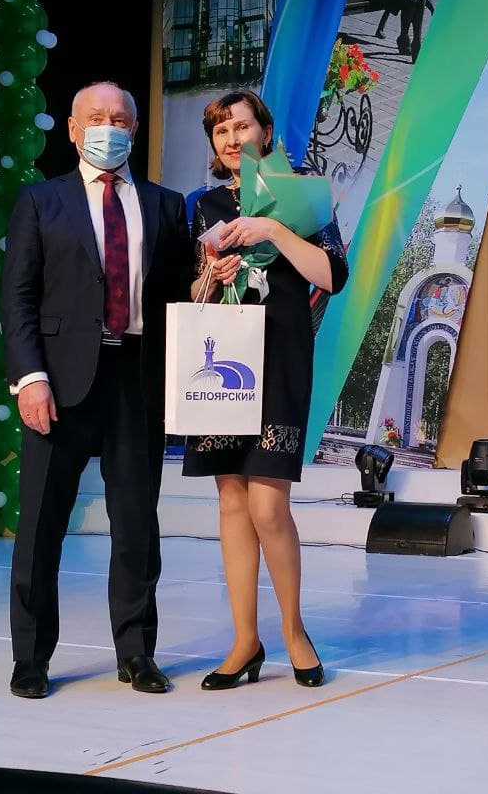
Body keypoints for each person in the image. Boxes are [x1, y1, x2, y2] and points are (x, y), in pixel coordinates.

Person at [1, 81, 193, 699]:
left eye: (120, 119)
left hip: (137, 377)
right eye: (96, 117)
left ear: (134, 130)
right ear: (73, 128)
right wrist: (30, 377)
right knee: (41, 526)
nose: (109, 128)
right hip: (58, 381)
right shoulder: (40, 200)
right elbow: (18, 297)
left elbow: (180, 297)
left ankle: (136, 652)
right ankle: (30, 658)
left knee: (136, 526)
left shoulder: (166, 205)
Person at [184, 88, 349, 690]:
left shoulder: (298, 192)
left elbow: (332, 274)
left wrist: (273, 229)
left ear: (265, 131)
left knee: (268, 505)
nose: (232, 138)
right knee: (232, 500)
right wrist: (212, 272)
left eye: (241, 126)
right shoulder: (204, 205)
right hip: (224, 355)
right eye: (220, 130)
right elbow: (193, 294)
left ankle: (294, 630)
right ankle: (244, 641)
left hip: (279, 356)